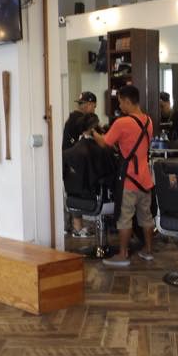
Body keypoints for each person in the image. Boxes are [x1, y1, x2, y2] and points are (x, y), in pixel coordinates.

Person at [93, 85, 153, 267]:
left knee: (124, 217)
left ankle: (122, 254)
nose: (119, 106)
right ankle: (148, 251)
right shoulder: (148, 121)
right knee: (146, 216)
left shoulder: (122, 123)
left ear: (127, 101)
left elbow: (104, 143)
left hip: (129, 179)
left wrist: (93, 132)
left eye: (120, 102)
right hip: (145, 178)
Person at [63, 92, 99, 237]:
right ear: (90, 104)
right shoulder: (80, 120)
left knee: (73, 191)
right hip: (74, 162)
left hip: (69, 160)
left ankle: (73, 226)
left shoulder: (73, 118)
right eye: (94, 107)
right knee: (77, 191)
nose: (94, 109)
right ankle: (77, 227)